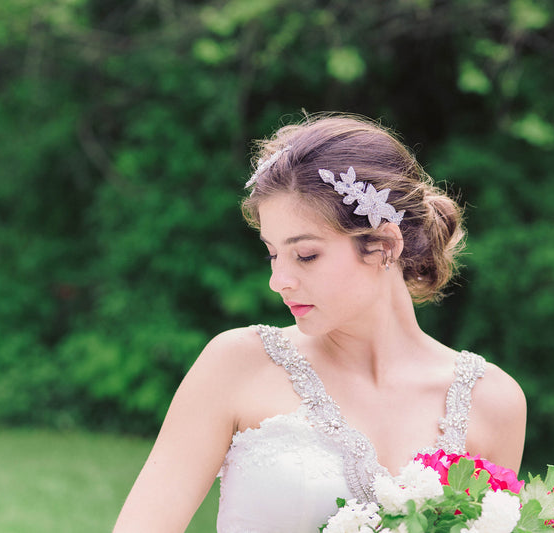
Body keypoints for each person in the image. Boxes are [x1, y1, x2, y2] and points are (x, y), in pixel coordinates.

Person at [113, 114, 526, 533]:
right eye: (273, 253)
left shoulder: (494, 403)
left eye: (305, 255)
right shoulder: (237, 364)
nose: (278, 282)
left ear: (384, 244)